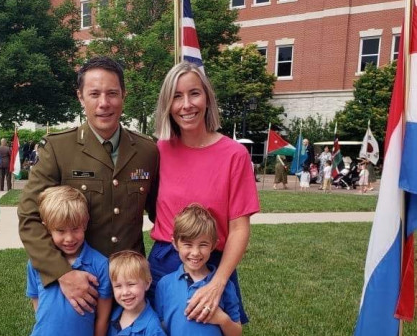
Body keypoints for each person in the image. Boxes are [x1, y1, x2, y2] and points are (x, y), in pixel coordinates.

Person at [18, 56, 159, 315]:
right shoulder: (58, 149)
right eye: (94, 94)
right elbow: (29, 217)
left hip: (128, 288)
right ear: (81, 97)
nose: (104, 103)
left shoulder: (148, 150)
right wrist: (62, 273)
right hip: (80, 287)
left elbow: (164, 213)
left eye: (112, 93)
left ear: (124, 96)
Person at [149, 61, 259, 324]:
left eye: (194, 93)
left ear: (207, 98)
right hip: (163, 262)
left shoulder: (234, 155)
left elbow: (239, 228)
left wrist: (218, 282)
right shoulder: (160, 150)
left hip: (212, 263)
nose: (186, 105)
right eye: (176, 96)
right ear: (167, 105)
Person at [26, 186, 112, 336]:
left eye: (75, 229)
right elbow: (37, 304)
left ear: (85, 223)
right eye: (60, 230)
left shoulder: (101, 265)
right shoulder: (36, 263)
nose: (69, 238)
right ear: (47, 228)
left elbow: (102, 319)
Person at [155, 204, 242, 336]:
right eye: (188, 244)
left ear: (213, 245)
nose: (195, 252)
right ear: (175, 243)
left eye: (203, 244)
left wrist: (222, 319)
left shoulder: (224, 286)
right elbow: (161, 326)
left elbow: (237, 332)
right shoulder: (164, 284)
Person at [108, 250, 165, 336]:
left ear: (147, 283)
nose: (125, 292)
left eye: (131, 284)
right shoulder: (114, 314)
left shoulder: (153, 328)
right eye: (118, 286)